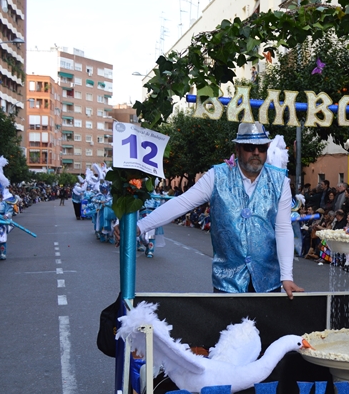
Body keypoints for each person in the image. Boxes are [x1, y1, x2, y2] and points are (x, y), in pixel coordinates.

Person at [116, 122, 303, 298]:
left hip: (268, 283)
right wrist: (140, 226)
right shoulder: (217, 176)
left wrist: (286, 277)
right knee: (229, 332)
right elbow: (182, 203)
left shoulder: (280, 181)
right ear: (237, 149)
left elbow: (283, 228)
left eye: (261, 148)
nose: (256, 152)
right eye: (249, 147)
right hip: (228, 284)